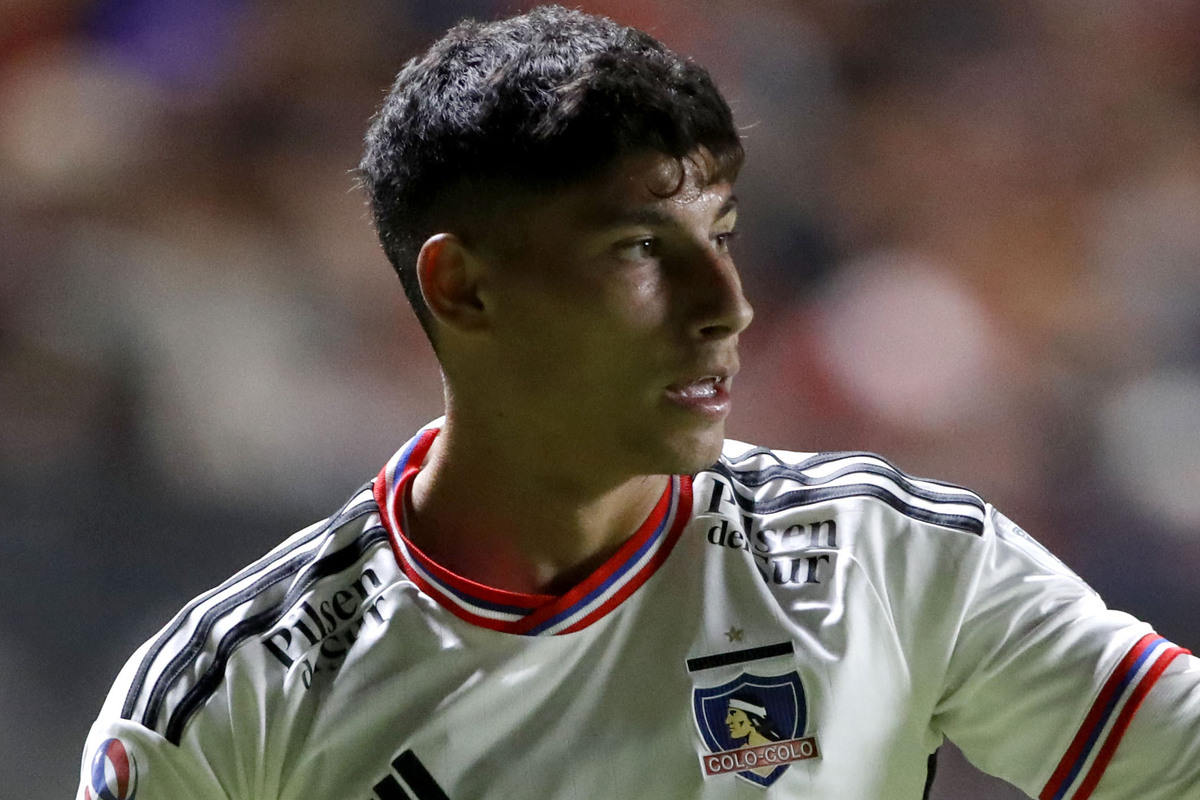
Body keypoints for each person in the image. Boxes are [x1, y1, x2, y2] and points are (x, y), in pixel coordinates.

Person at [77, 6, 1200, 800]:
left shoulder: (890, 555)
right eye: (636, 250)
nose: (729, 307)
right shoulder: (226, 706)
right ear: (463, 286)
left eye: (721, 237)